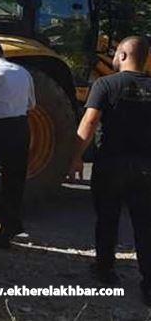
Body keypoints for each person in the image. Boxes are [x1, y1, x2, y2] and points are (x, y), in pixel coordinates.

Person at [70, 36, 151, 306]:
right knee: (145, 225)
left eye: (117, 53)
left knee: (107, 218)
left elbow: (89, 121)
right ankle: (149, 285)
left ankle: (105, 271)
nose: (114, 57)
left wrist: (75, 157)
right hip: (145, 167)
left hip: (110, 164)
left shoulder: (105, 84)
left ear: (125, 55)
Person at [0, 39, 36, 249]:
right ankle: (6, 232)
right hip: (21, 127)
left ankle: (8, 222)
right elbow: (31, 104)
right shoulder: (23, 72)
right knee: (15, 180)